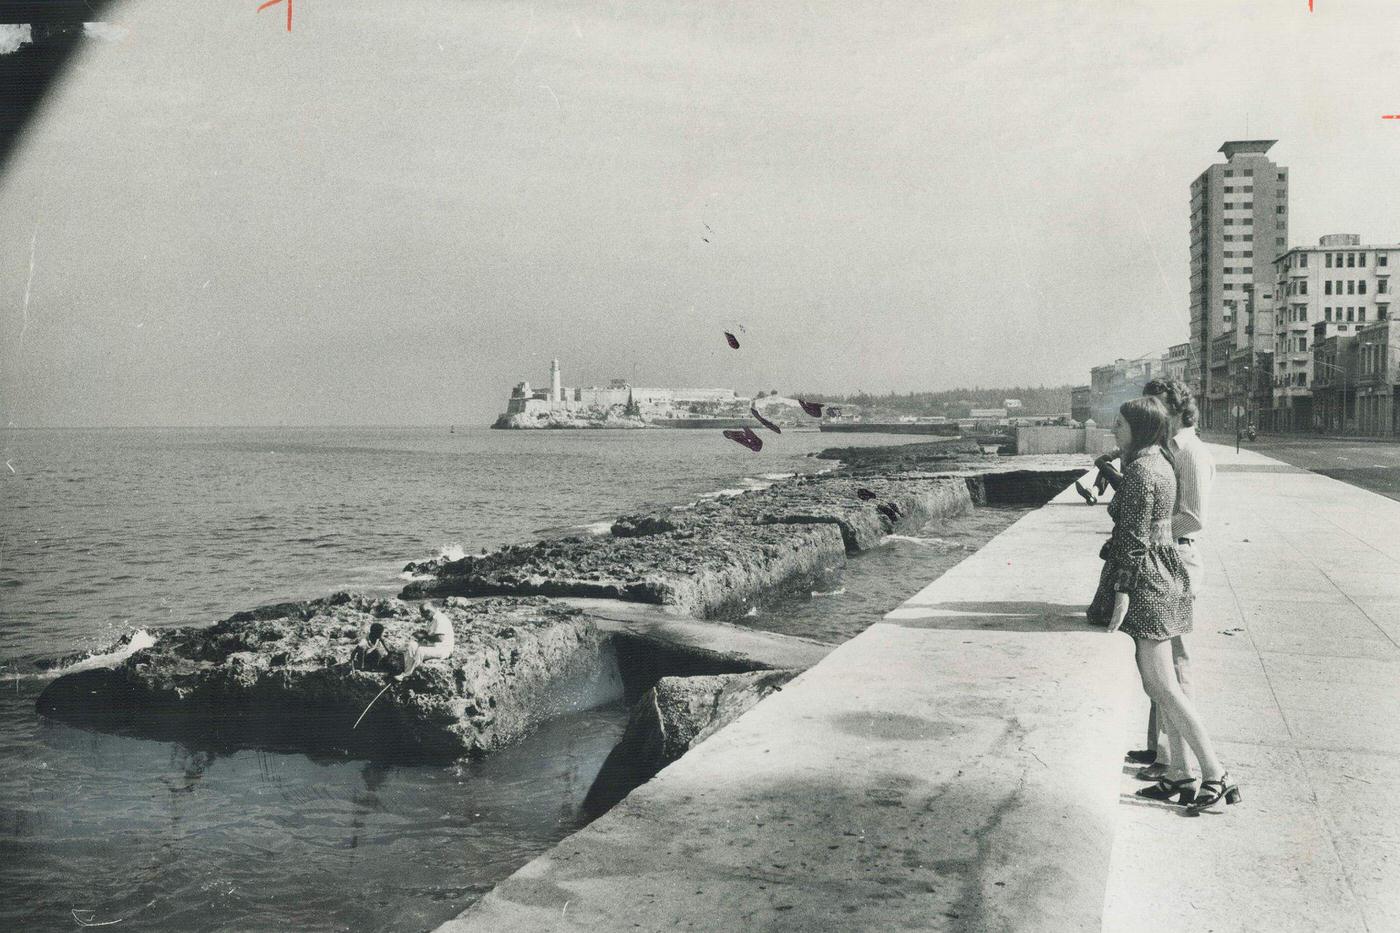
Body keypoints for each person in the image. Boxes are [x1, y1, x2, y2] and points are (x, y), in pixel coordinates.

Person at [1087, 396, 1239, 814]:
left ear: (1138, 427)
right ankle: (1180, 775)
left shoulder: (1140, 469)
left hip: (1148, 583)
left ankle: (1216, 773)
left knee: (1163, 687)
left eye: (1119, 424)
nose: (1114, 431)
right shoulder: (1161, 463)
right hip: (1165, 574)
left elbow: (1134, 538)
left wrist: (1121, 592)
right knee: (1163, 685)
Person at [395, 605, 456, 681]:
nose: (422, 617)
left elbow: (440, 638)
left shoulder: (440, 619)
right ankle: (406, 669)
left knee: (421, 650)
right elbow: (431, 634)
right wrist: (421, 634)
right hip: (434, 646)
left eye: (423, 614)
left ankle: (407, 675)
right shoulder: (432, 619)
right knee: (411, 645)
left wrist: (423, 637)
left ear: (429, 612)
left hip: (443, 649)